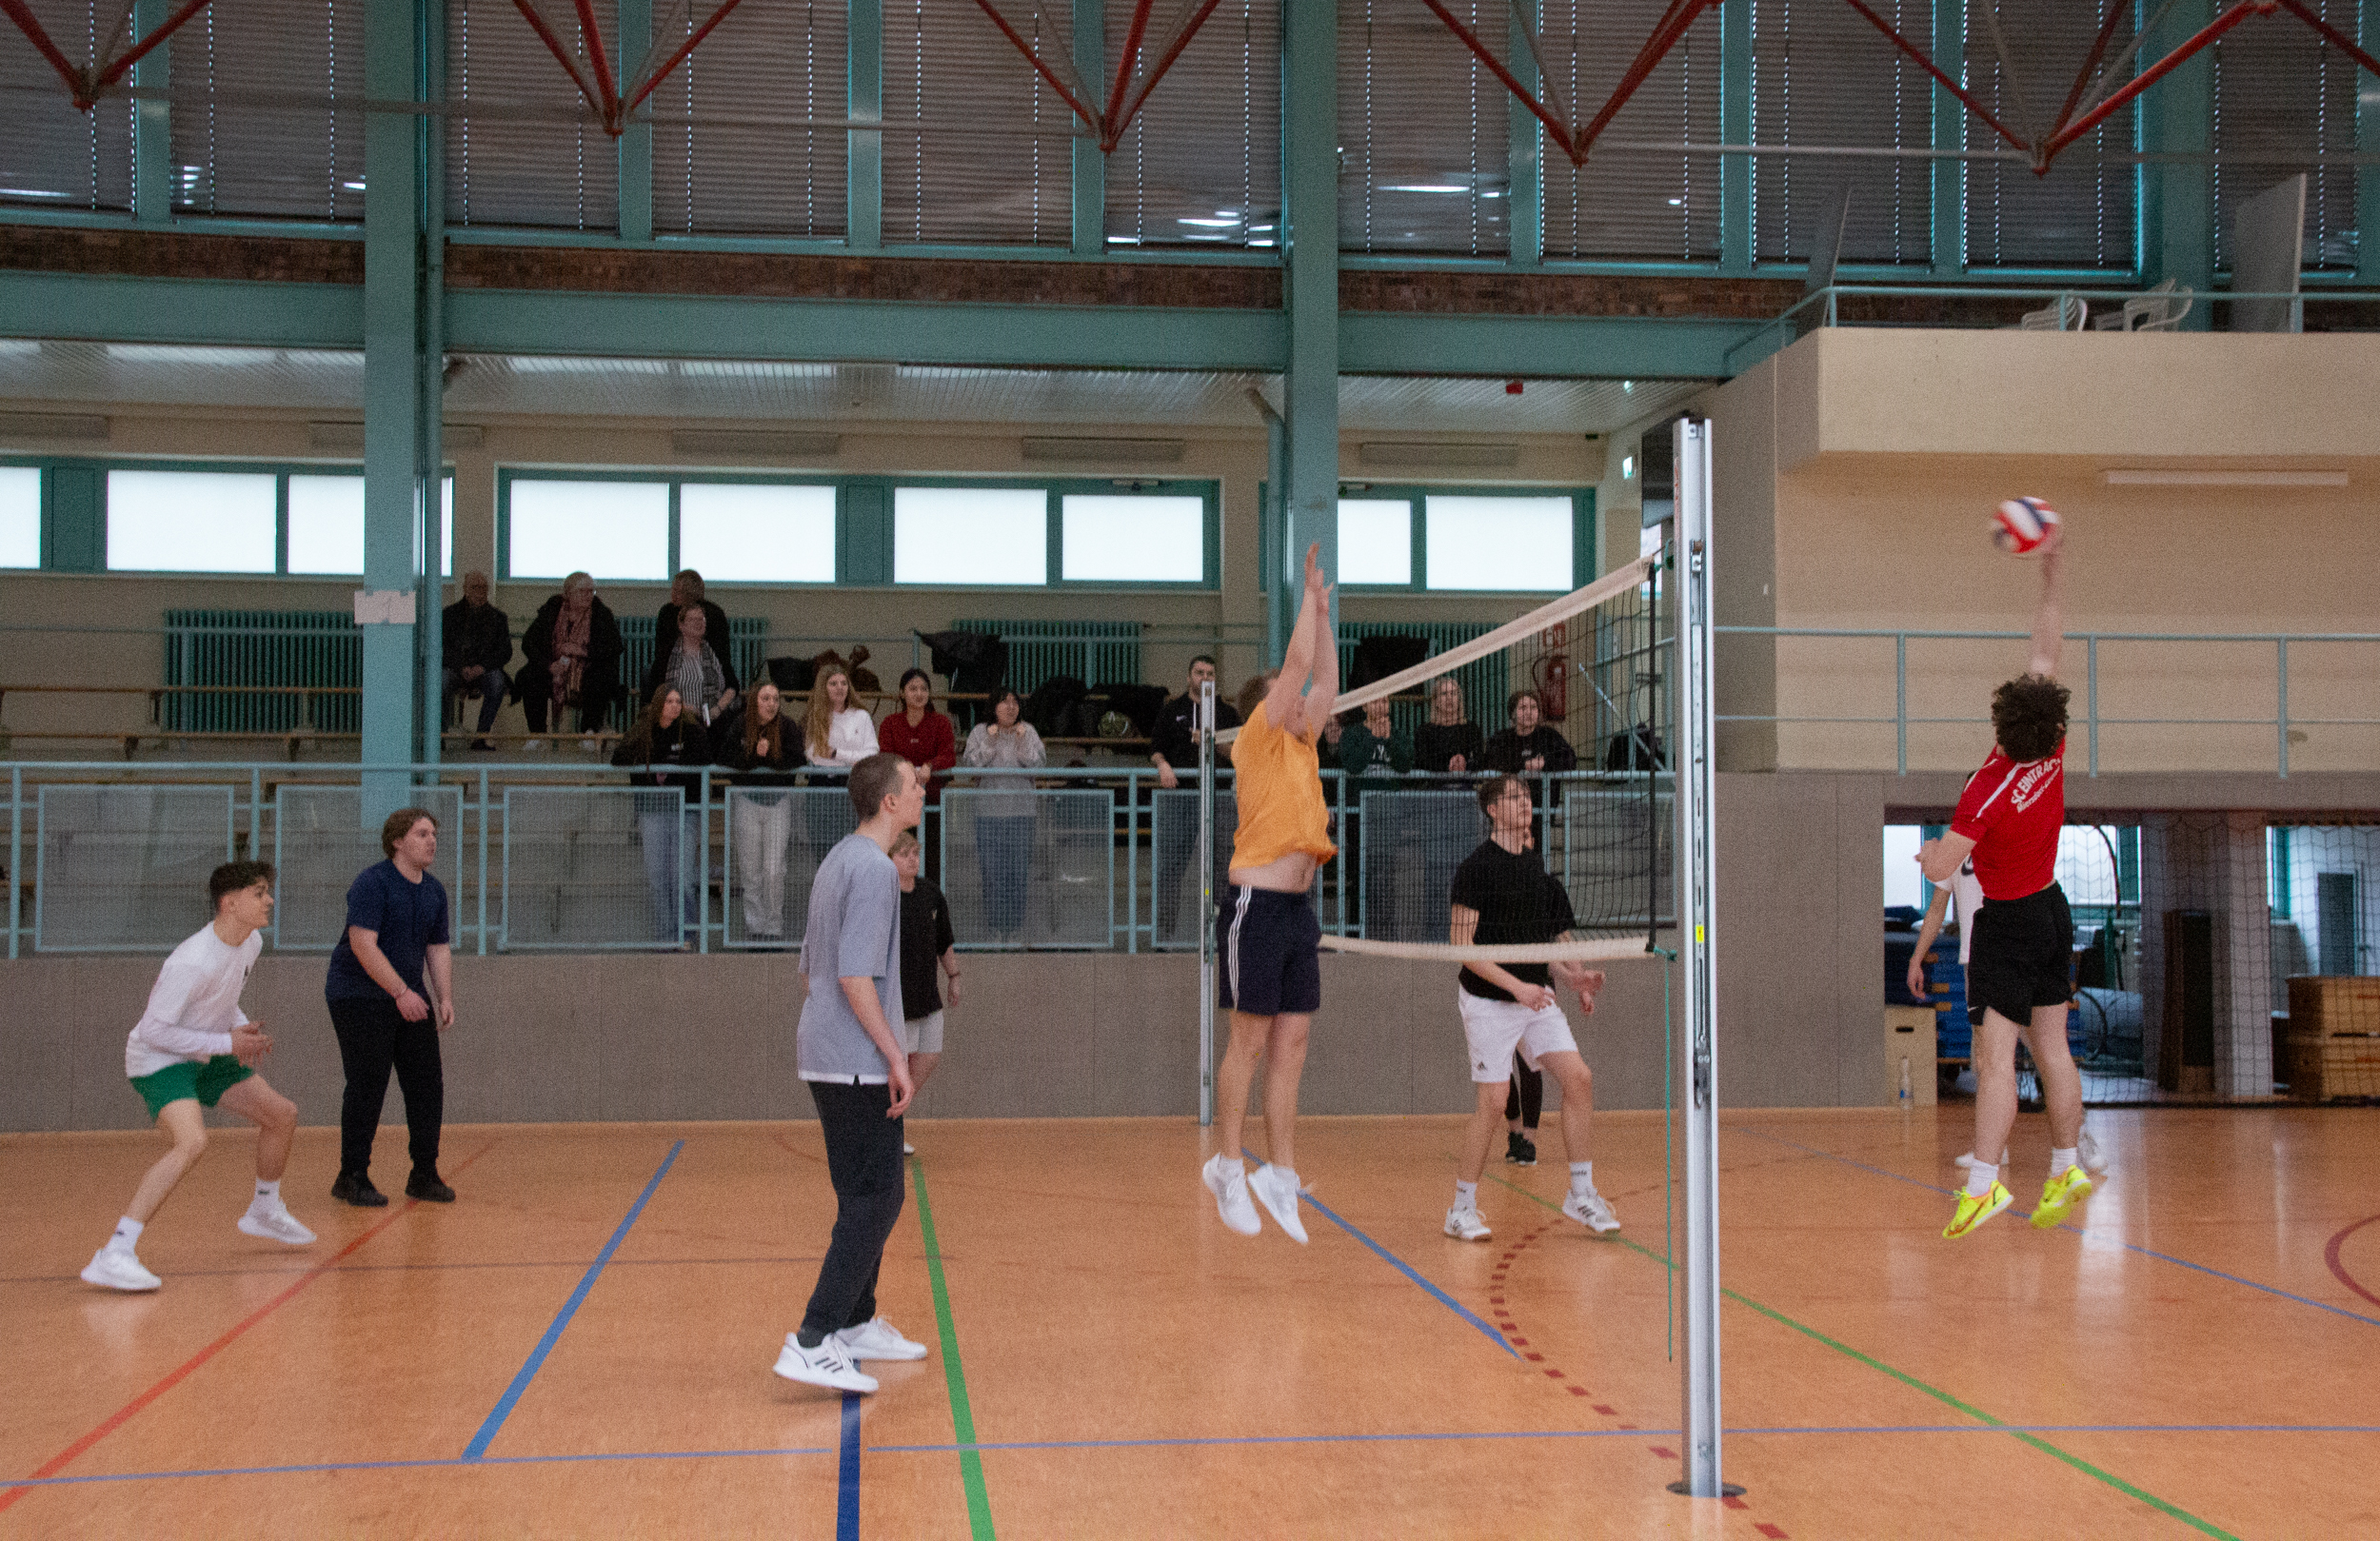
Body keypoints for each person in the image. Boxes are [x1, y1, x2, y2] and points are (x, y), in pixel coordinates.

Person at [1920, 524, 2093, 1238]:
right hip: (2053, 907)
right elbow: (2047, 645)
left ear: (2001, 723)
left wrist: (1928, 852)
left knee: (1996, 1061)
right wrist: (2052, 574)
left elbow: (1943, 867)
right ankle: (2067, 1164)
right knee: (2053, 1049)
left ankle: (1985, 1184)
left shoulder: (1985, 789)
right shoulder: (2052, 745)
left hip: (2008, 920)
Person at [773, 754, 934, 1395]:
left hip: (829, 1052)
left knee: (867, 1193)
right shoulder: (872, 869)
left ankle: (856, 1322)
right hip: (854, 1061)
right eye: (913, 784)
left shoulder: (838, 859)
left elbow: (809, 969)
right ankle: (814, 1336)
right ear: (889, 801)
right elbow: (852, 976)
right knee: (877, 1197)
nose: (921, 789)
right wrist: (894, 1055)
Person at [80, 861, 315, 1292]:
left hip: (206, 1047)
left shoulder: (251, 942)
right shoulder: (191, 960)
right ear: (230, 903)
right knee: (191, 1143)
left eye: (268, 891)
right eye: (259, 892)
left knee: (282, 1115)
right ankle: (114, 1253)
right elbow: (154, 1030)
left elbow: (222, 999)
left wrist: (238, 1029)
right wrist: (227, 1042)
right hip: (159, 1059)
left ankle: (264, 1210)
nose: (270, 900)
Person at [1202, 543, 1337, 1245]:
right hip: (1254, 907)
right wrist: (1303, 604)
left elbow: (1326, 681)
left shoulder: (1305, 744)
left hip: (1296, 912)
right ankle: (1227, 1164)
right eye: (1290, 698)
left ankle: (1280, 1172)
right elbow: (1299, 668)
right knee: (1249, 1041)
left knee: (1294, 1043)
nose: (1303, 704)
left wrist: (1324, 612)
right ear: (1268, 706)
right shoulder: (1255, 739)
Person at [1442, 774, 1620, 1241]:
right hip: (1488, 999)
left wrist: (1573, 977)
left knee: (1579, 1078)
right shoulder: (1474, 869)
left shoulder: (1537, 869)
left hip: (1534, 998)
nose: (1525, 802)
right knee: (1494, 1101)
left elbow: (1542, 944)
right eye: (1514, 797)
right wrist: (1517, 988)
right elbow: (1463, 949)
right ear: (1492, 810)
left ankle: (1580, 1193)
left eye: (1527, 795)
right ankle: (1461, 1209)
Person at [325, 808, 456, 1207]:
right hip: (358, 995)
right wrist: (400, 992)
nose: (431, 841)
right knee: (368, 1082)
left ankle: (424, 1173)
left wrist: (443, 997)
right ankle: (352, 1176)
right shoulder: (373, 883)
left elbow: (438, 947)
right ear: (397, 841)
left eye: (433, 834)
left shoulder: (434, 891)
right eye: (421, 834)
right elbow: (362, 943)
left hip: (408, 997)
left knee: (426, 1083)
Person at [1149, 657, 1240, 943]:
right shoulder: (1172, 710)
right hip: (1181, 800)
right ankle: (1164, 936)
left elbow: (1240, 753)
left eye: (1210, 673)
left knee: (1223, 870)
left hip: (1219, 798)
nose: (1205, 677)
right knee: (1171, 868)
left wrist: (1214, 742)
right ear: (1189, 677)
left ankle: (1222, 936)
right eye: (1199, 672)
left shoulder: (1227, 713)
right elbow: (1155, 748)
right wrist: (1163, 765)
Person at [613, 684, 712, 947]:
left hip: (684, 809)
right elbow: (618, 757)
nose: (674, 706)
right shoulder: (643, 730)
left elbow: (703, 759)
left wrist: (672, 773)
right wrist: (650, 764)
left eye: (678, 701)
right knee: (658, 877)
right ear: (659, 704)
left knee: (682, 877)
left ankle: (686, 934)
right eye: (669, 701)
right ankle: (665, 936)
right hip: (652, 810)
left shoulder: (691, 730)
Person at [960, 687, 1044, 942]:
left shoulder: (1028, 731)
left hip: (1022, 815)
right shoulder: (980, 732)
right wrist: (990, 741)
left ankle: (1015, 930)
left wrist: (1021, 742)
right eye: (1004, 702)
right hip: (988, 815)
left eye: (1014, 702)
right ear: (993, 707)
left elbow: (1039, 766)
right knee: (992, 873)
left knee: (1018, 873)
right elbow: (969, 765)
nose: (1010, 707)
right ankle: (995, 930)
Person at [890, 828, 961, 1127]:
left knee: (929, 1055)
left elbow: (944, 941)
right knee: (900, 1063)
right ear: (889, 859)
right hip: (899, 1000)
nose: (913, 860)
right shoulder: (884, 896)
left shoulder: (931, 894)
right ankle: (889, 1129)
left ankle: (893, 1113)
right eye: (904, 854)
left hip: (928, 996)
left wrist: (953, 975)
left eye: (916, 854)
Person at [721, 679, 800, 941]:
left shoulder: (787, 726)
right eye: (765, 698)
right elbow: (726, 759)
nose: (771, 704)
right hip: (747, 802)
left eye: (775, 699)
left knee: (774, 869)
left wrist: (771, 757)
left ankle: (773, 927)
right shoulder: (740, 724)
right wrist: (754, 755)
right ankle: (755, 928)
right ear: (755, 700)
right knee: (750, 870)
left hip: (778, 803)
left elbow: (796, 760)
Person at [1410, 676, 1486, 942]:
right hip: (1436, 806)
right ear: (1435, 700)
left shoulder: (1471, 730)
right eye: (1444, 694)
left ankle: (1464, 933)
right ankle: (1435, 932)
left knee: (1464, 868)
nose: (1449, 698)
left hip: (1464, 806)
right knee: (1435, 870)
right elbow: (1422, 761)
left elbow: (1480, 760)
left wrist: (1466, 763)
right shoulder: (1425, 731)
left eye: (1454, 693)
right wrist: (1447, 764)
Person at [520, 572, 625, 741]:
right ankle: (537, 734)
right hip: (555, 667)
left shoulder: (601, 613)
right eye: (582, 591)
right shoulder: (552, 610)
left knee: (600, 677)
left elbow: (614, 647)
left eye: (591, 591)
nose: (588, 595)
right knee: (529, 676)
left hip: (587, 668)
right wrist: (550, 665)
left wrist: (582, 651)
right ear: (568, 593)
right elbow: (528, 643)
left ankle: (589, 732)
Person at [1336, 695, 1410, 932]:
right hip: (1360, 816)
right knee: (1360, 874)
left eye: (1385, 702)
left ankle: (1385, 931)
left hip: (1388, 814)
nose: (1381, 706)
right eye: (1376, 701)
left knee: (1387, 876)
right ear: (1365, 706)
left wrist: (1389, 741)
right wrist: (1372, 738)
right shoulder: (1352, 733)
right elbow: (1353, 765)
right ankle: (1356, 931)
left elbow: (1405, 765)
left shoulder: (1396, 733)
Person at [878, 668, 958, 875]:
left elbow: (948, 755)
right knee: (899, 857)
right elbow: (886, 755)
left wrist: (930, 766)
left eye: (924, 689)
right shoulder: (890, 723)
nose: (919, 693)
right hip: (899, 802)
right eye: (913, 689)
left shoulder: (941, 722)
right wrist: (907, 769)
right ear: (902, 693)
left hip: (932, 801)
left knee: (932, 858)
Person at [1480, 688, 1578, 846]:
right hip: (1508, 813)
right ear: (1512, 713)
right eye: (1523, 708)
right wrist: (1523, 765)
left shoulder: (1549, 736)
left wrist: (1544, 763)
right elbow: (1491, 761)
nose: (1529, 712)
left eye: (1533, 707)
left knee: (1537, 851)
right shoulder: (1502, 738)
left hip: (1541, 812)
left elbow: (1570, 759)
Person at [804, 664, 880, 856]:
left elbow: (871, 753)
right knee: (822, 848)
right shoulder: (815, 716)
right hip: (821, 785)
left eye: (843, 683)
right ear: (823, 687)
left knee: (852, 847)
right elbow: (814, 754)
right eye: (833, 683)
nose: (840, 687)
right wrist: (851, 757)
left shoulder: (861, 716)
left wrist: (836, 754)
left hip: (853, 786)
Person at [441, 570, 512, 751]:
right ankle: (439, 735)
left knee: (497, 683)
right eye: (475, 587)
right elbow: (442, 648)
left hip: (484, 671)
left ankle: (481, 736)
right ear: (465, 589)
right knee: (441, 681)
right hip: (455, 669)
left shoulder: (498, 618)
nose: (480, 592)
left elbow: (505, 652)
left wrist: (482, 667)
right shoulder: (448, 615)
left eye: (483, 588)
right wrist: (461, 666)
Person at [641, 600, 740, 727]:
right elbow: (659, 691)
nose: (698, 623)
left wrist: (718, 709)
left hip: (714, 717)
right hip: (679, 719)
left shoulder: (714, 653)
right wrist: (686, 709)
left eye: (701, 619)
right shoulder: (668, 655)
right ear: (681, 625)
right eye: (692, 620)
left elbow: (732, 685)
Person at [653, 569, 732, 670]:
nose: (673, 594)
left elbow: (661, 654)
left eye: (677, 591)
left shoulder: (668, 613)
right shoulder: (716, 612)